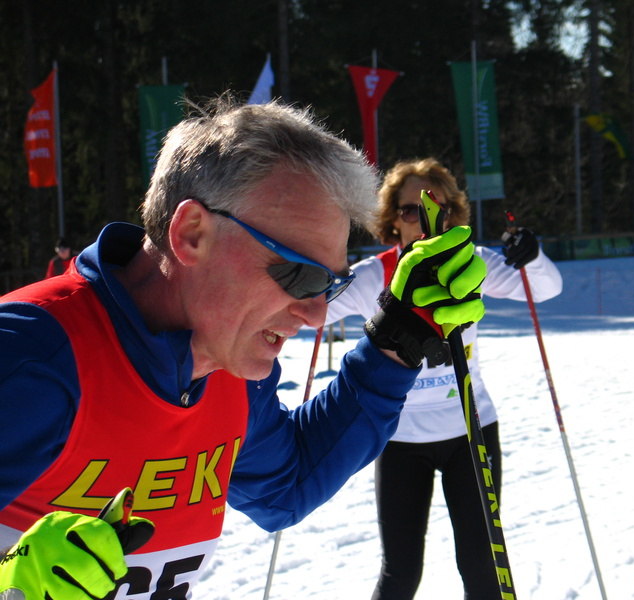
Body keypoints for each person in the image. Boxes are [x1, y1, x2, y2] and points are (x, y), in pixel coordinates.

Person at [0, 101, 487, 599]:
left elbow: (285, 485)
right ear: (192, 233)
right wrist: (11, 579)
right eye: (300, 274)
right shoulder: (29, 356)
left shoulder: (225, 362)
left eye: (330, 283)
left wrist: (398, 340)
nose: (316, 314)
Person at [325, 157, 563, 599]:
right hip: (400, 439)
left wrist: (532, 257)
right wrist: (315, 264)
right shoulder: (373, 275)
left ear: (452, 216)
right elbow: (307, 312)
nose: (424, 221)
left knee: (482, 566)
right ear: (392, 219)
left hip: (470, 432)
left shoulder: (472, 263)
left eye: (437, 209)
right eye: (410, 210)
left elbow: (546, 288)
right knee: (400, 573)